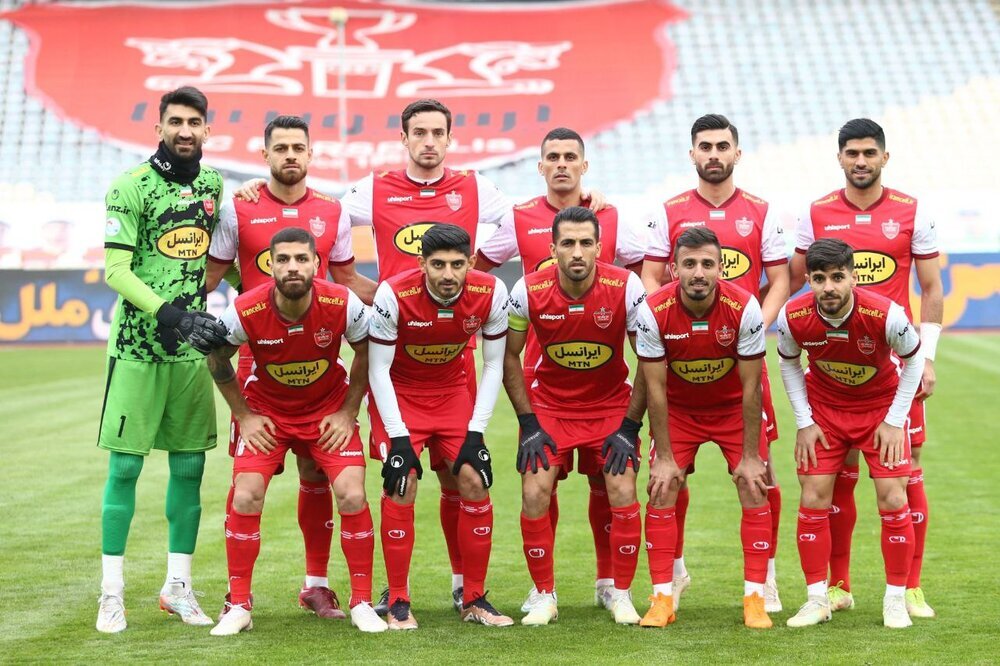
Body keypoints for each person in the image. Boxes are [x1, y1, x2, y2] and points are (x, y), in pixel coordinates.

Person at [235, 99, 514, 609]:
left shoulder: (477, 188)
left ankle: (464, 588)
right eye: (419, 133)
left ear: (450, 138)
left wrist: (473, 272)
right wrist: (388, 299)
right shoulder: (372, 189)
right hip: (392, 354)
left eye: (437, 133)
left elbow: (519, 227)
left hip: (451, 361)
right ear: (404, 139)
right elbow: (324, 223)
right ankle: (367, 589)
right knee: (383, 477)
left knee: (459, 475)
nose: (428, 141)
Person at [205, 115, 375, 619]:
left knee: (318, 474)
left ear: (310, 152)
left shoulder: (332, 210)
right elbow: (210, 277)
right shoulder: (239, 207)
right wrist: (166, 310)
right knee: (247, 487)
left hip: (319, 367)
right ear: (265, 155)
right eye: (280, 148)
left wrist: (406, 302)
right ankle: (237, 597)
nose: (290, 155)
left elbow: (348, 280)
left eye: (298, 147)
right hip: (259, 364)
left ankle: (316, 586)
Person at [476, 127, 642, 612]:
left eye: (572, 156)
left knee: (610, 484)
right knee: (538, 488)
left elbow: (650, 268)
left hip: (605, 388)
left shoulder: (611, 218)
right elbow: (476, 269)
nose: (563, 164)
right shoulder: (520, 221)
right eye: (554, 156)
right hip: (544, 386)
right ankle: (543, 590)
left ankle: (613, 585)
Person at [790, 119, 943, 618]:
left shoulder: (912, 211)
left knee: (905, 471)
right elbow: (798, 283)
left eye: (869, 153)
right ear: (840, 158)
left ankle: (910, 587)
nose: (860, 161)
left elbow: (931, 288)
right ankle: (837, 586)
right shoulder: (815, 212)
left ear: (884, 157)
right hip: (834, 371)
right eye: (852, 153)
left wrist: (928, 357)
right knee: (833, 479)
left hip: (894, 367)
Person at [640, 114, 788, 613]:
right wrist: (666, 323)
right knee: (667, 475)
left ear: (737, 153)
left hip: (740, 360)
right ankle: (673, 574)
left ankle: (765, 581)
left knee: (761, 472)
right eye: (705, 146)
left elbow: (780, 280)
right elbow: (651, 276)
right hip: (682, 362)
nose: (714, 154)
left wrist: (753, 327)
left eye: (723, 146)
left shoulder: (761, 211)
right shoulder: (669, 211)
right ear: (693, 154)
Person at [96, 86, 227, 633]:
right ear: (160, 128)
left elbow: (220, 259)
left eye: (194, 122)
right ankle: (111, 593)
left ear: (206, 129)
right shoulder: (130, 187)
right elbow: (115, 271)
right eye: (175, 121)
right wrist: (172, 315)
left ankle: (178, 587)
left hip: (189, 354)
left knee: (190, 467)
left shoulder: (214, 185)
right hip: (136, 348)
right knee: (126, 467)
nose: (185, 131)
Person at [504, 206, 648, 626]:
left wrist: (630, 426)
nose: (578, 252)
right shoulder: (527, 290)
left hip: (610, 405)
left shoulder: (626, 286)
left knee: (621, 488)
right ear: (552, 249)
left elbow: (648, 358)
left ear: (600, 247)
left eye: (586, 243)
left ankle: (619, 593)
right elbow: (508, 356)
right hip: (551, 406)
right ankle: (544, 594)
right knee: (534, 491)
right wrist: (528, 423)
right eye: (568, 243)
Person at [367, 223, 512, 629]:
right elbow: (377, 370)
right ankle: (398, 600)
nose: (448, 274)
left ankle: (474, 597)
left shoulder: (491, 292)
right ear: (421, 263)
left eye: (457, 264)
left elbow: (493, 364)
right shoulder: (393, 294)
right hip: (400, 394)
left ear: (471, 262)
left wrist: (476, 432)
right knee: (403, 482)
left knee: (474, 479)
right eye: (438, 265)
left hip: (451, 393)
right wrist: (398, 438)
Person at [778, 238, 924, 629]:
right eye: (819, 278)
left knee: (893, 497)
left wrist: (894, 420)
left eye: (837, 277)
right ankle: (817, 599)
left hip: (879, 408)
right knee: (813, 495)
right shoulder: (793, 316)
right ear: (809, 279)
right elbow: (789, 364)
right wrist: (804, 422)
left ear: (853, 277)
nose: (828, 287)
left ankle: (895, 599)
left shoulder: (886, 314)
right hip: (825, 411)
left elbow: (913, 363)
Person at [636, 227, 772, 629]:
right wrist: (663, 456)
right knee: (663, 486)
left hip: (732, 408)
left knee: (753, 483)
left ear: (721, 268)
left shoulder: (745, 307)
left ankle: (756, 599)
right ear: (673, 268)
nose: (699, 272)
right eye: (690, 264)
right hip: (679, 410)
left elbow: (752, 386)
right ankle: (662, 598)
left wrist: (750, 456)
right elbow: (654, 389)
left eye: (707, 264)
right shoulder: (652, 310)